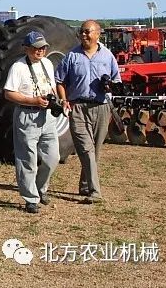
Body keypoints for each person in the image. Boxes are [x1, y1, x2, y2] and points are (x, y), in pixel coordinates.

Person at [55, 20, 121, 204]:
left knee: (95, 150)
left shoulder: (107, 56)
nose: (83, 35)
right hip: (78, 107)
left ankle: (85, 185)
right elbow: (59, 80)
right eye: (81, 32)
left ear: (97, 34)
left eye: (87, 32)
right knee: (86, 148)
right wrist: (64, 100)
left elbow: (117, 80)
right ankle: (95, 192)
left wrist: (109, 85)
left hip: (101, 107)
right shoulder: (72, 56)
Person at [3, 30, 60, 214]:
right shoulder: (18, 67)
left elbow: (51, 85)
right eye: (36, 48)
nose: (40, 51)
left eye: (43, 47)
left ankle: (40, 188)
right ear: (26, 49)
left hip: (48, 116)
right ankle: (31, 198)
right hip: (27, 115)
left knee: (53, 157)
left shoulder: (48, 64)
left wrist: (58, 101)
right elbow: (9, 93)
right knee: (27, 158)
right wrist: (33, 101)